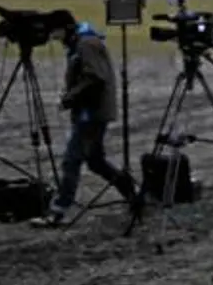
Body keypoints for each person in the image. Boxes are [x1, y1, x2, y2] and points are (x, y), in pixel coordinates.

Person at [32, 21, 140, 227]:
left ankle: (59, 210)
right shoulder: (83, 42)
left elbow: (95, 77)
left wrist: (70, 97)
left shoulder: (86, 44)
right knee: (95, 161)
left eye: (56, 32)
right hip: (91, 111)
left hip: (91, 113)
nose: (55, 38)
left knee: (72, 160)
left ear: (66, 28)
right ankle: (132, 194)